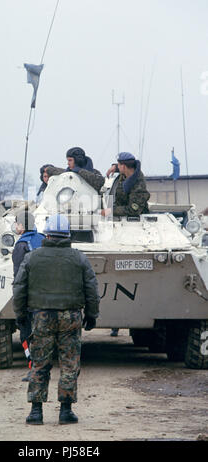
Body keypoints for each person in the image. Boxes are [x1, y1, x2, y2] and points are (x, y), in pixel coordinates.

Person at [13, 214, 100, 425]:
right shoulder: (79, 258)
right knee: (69, 364)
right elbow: (91, 289)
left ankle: (36, 412)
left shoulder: (32, 257)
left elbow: (19, 288)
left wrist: (20, 315)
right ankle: (65, 411)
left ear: (47, 233)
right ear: (68, 235)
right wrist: (91, 315)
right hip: (70, 317)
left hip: (41, 317)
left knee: (40, 363)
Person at [12, 210, 45, 379]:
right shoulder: (43, 239)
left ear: (22, 226)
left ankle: (33, 367)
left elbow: (19, 278)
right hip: (48, 297)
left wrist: (19, 306)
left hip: (30, 299)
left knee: (26, 333)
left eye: (17, 223)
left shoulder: (21, 245)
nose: (15, 226)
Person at [103, 152, 150, 217]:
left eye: (118, 165)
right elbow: (127, 168)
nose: (118, 167)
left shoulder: (138, 186)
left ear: (123, 167)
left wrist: (110, 211)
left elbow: (133, 210)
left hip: (135, 221)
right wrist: (115, 167)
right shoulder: (129, 172)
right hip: (121, 215)